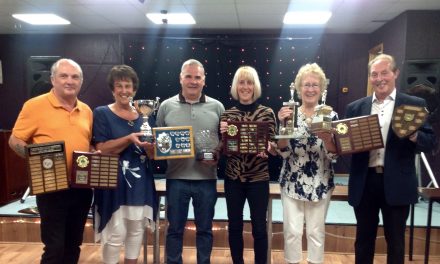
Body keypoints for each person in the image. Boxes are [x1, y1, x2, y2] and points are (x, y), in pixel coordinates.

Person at [345, 53, 437, 264]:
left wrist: (413, 133)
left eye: (384, 72)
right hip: (365, 182)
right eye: (374, 74)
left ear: (395, 73)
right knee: (363, 240)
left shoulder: (414, 104)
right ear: (370, 78)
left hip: (398, 183)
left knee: (396, 242)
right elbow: (346, 143)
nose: (380, 78)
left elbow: (430, 142)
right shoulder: (355, 107)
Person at [8, 58, 93, 264]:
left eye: (75, 77)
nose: (69, 81)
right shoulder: (34, 106)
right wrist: (37, 159)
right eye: (63, 76)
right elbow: (15, 140)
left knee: (74, 244)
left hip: (80, 188)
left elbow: (86, 144)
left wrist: (94, 155)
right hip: (51, 187)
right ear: (53, 79)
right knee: (54, 247)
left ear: (81, 82)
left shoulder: (87, 111)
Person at [156, 59, 225, 264]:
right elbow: (160, 140)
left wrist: (217, 155)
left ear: (204, 80)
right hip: (176, 179)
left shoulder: (217, 107)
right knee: (174, 229)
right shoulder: (166, 107)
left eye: (197, 77)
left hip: (206, 179)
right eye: (188, 76)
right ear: (181, 78)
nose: (193, 81)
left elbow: (224, 141)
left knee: (205, 230)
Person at [92, 65, 158, 264]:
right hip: (113, 182)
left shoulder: (145, 116)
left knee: (136, 230)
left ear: (134, 90)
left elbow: (153, 154)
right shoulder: (102, 113)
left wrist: (151, 149)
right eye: (119, 86)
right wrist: (129, 138)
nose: (124, 90)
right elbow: (102, 149)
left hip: (141, 182)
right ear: (112, 89)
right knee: (115, 233)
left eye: (128, 86)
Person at [275, 63, 338, 264]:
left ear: (321, 89)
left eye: (315, 85)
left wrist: (327, 139)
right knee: (292, 232)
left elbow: (335, 155)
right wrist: (283, 127)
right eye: (306, 85)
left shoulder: (330, 115)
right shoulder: (288, 114)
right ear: (298, 88)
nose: (310, 89)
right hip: (291, 180)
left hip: (321, 181)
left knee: (316, 232)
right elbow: (282, 151)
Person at [219, 66, 277, 264]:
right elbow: (224, 148)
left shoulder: (267, 113)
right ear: (236, 86)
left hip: (259, 178)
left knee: (259, 227)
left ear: (255, 86)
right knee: (234, 226)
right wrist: (223, 135)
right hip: (233, 178)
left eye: (249, 82)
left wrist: (269, 147)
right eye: (241, 82)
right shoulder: (227, 114)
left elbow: (275, 149)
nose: (245, 87)